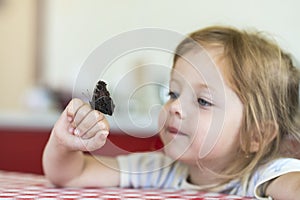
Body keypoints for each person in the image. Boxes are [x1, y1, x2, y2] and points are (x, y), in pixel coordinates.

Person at [42, 26, 300, 199]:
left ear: (256, 135)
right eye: (173, 94)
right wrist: (63, 143)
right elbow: (71, 175)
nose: (175, 107)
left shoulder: (264, 176)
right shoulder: (160, 169)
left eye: (203, 101)